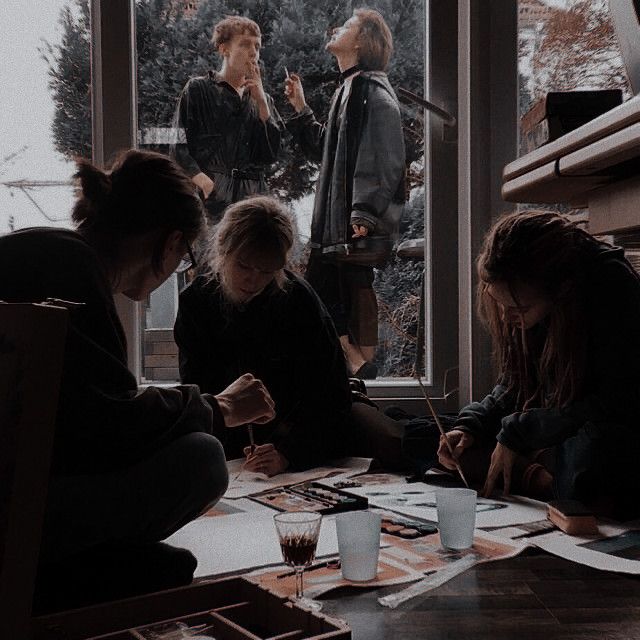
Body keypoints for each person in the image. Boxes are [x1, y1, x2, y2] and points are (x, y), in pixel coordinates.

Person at [0, 150, 275, 564]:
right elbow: (107, 430)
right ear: (170, 243)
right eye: (185, 257)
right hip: (17, 513)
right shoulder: (72, 271)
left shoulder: (42, 253)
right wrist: (217, 408)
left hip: (19, 486)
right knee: (203, 458)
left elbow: (85, 410)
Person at [437, 210, 640, 518]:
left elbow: (615, 403)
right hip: (552, 429)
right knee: (441, 438)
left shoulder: (612, 290)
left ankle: (538, 476)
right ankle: (535, 472)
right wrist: (471, 425)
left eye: (519, 308)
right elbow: (515, 384)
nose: (506, 318)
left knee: (596, 456)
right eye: (500, 305)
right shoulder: (535, 303)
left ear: (561, 290)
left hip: (603, 426)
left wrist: (518, 433)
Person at [174, 195, 355, 476]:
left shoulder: (299, 301)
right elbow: (200, 395)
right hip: (226, 454)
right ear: (223, 250)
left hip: (296, 444)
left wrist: (288, 453)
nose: (254, 280)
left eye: (267, 271)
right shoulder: (196, 303)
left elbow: (332, 397)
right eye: (244, 266)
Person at [284, 8, 406, 380]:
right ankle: (347, 371)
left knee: (343, 294)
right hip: (337, 226)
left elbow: (383, 151)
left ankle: (353, 371)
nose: (338, 27)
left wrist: (363, 212)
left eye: (349, 25)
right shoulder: (351, 89)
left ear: (363, 40)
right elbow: (326, 148)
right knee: (327, 297)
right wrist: (301, 109)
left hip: (349, 227)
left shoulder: (370, 90)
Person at [173, 15, 283, 225]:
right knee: (213, 256)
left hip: (254, 198)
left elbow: (270, 155)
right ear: (224, 49)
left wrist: (262, 104)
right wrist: (204, 182)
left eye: (257, 46)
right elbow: (176, 144)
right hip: (212, 196)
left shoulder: (262, 99)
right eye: (245, 44)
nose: (253, 52)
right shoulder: (198, 88)